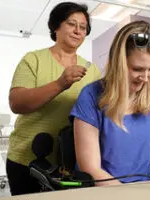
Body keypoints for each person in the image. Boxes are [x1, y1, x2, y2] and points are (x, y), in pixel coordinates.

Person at [70, 20, 150, 186]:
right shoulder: (90, 96)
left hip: (141, 190)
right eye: (137, 69)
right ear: (119, 63)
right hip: (103, 193)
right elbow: (91, 170)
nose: (145, 78)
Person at [6, 2, 101, 195]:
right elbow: (17, 103)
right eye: (71, 24)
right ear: (56, 26)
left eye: (83, 27)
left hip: (71, 164)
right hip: (26, 160)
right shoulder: (33, 60)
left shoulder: (92, 70)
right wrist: (60, 84)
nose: (78, 31)